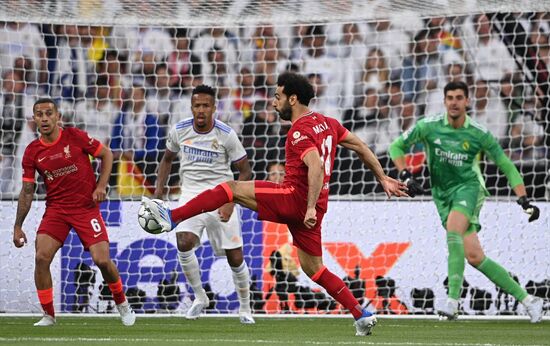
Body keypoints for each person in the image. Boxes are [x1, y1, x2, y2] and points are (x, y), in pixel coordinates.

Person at [142, 72, 408, 336]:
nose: (272, 102)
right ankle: (361, 314)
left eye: (277, 97)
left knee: (230, 188)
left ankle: (172, 216)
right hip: (314, 208)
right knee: (314, 269)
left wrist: (310, 206)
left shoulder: (298, 131)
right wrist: (382, 177)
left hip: (295, 199)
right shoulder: (328, 123)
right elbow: (360, 146)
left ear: (293, 99)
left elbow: (314, 165)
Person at [388, 81, 543, 322]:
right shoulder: (429, 127)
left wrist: (523, 199)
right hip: (441, 194)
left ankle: (452, 301)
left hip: (469, 189)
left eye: (459, 97)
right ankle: (530, 301)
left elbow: (506, 165)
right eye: (450, 97)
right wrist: (405, 174)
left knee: (453, 230)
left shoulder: (478, 133)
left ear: (467, 101)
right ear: (444, 101)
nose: (454, 102)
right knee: (474, 256)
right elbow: (396, 147)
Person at [12, 98, 136, 327]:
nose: (45, 118)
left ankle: (122, 303)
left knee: (102, 260)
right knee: (41, 257)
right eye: (39, 114)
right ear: (35, 119)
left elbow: (107, 154)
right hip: (57, 210)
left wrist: (101, 186)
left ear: (58, 116)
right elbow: (27, 190)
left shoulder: (75, 137)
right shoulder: (32, 152)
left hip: (85, 209)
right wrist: (18, 225)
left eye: (49, 113)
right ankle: (49, 315)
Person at [153, 84, 255, 324]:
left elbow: (245, 171)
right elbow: (167, 159)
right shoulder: (179, 130)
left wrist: (231, 201)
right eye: (197, 105)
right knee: (183, 242)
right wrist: (159, 191)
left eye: (206, 106)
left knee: (235, 257)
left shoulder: (226, 134)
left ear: (214, 108)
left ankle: (245, 308)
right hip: (190, 194)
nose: (201, 110)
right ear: (191, 107)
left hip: (222, 194)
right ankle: (200, 297)